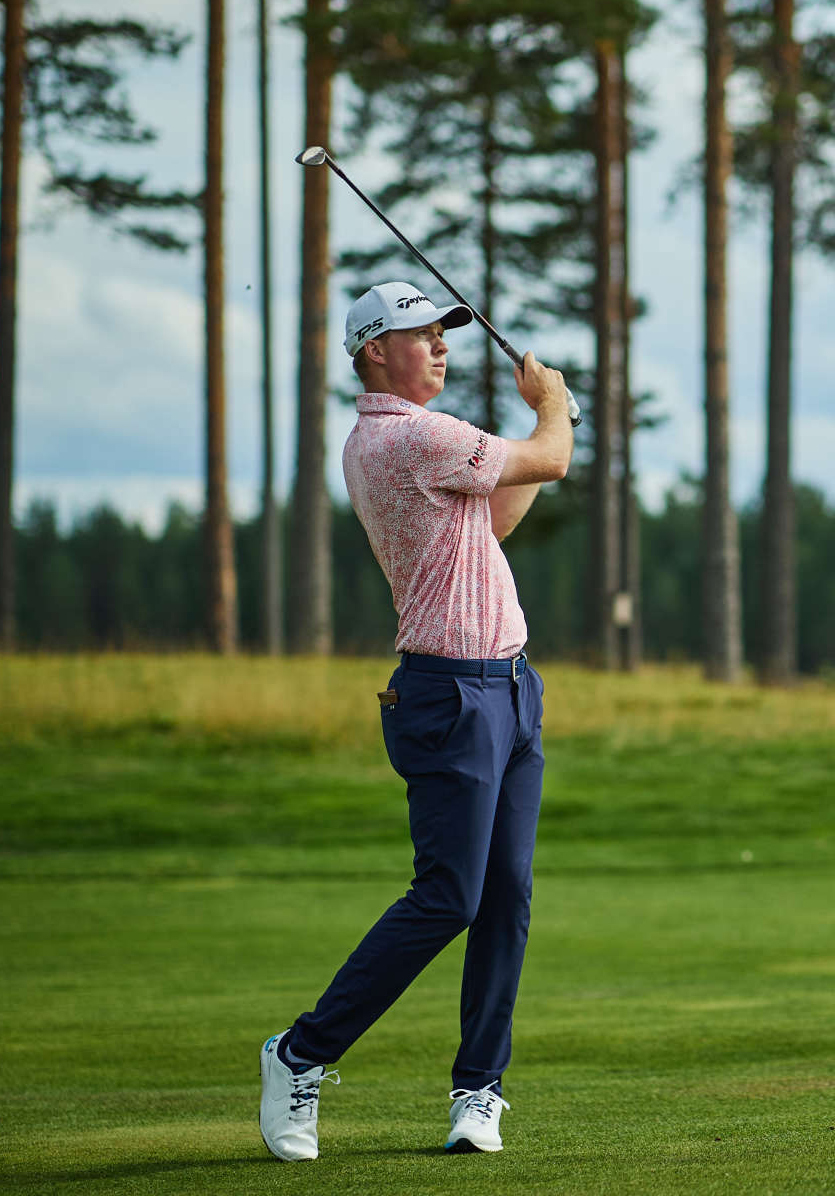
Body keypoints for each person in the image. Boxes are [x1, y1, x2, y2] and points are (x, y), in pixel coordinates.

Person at [258, 281, 573, 1161]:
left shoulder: (431, 447)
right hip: (447, 696)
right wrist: (554, 410)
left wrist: (550, 431)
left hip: (511, 688)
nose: (439, 346)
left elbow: (502, 512)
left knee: (504, 898)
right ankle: (299, 1054)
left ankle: (479, 1092)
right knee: (449, 897)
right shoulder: (402, 438)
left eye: (442, 332)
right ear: (371, 353)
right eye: (419, 334)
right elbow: (549, 458)